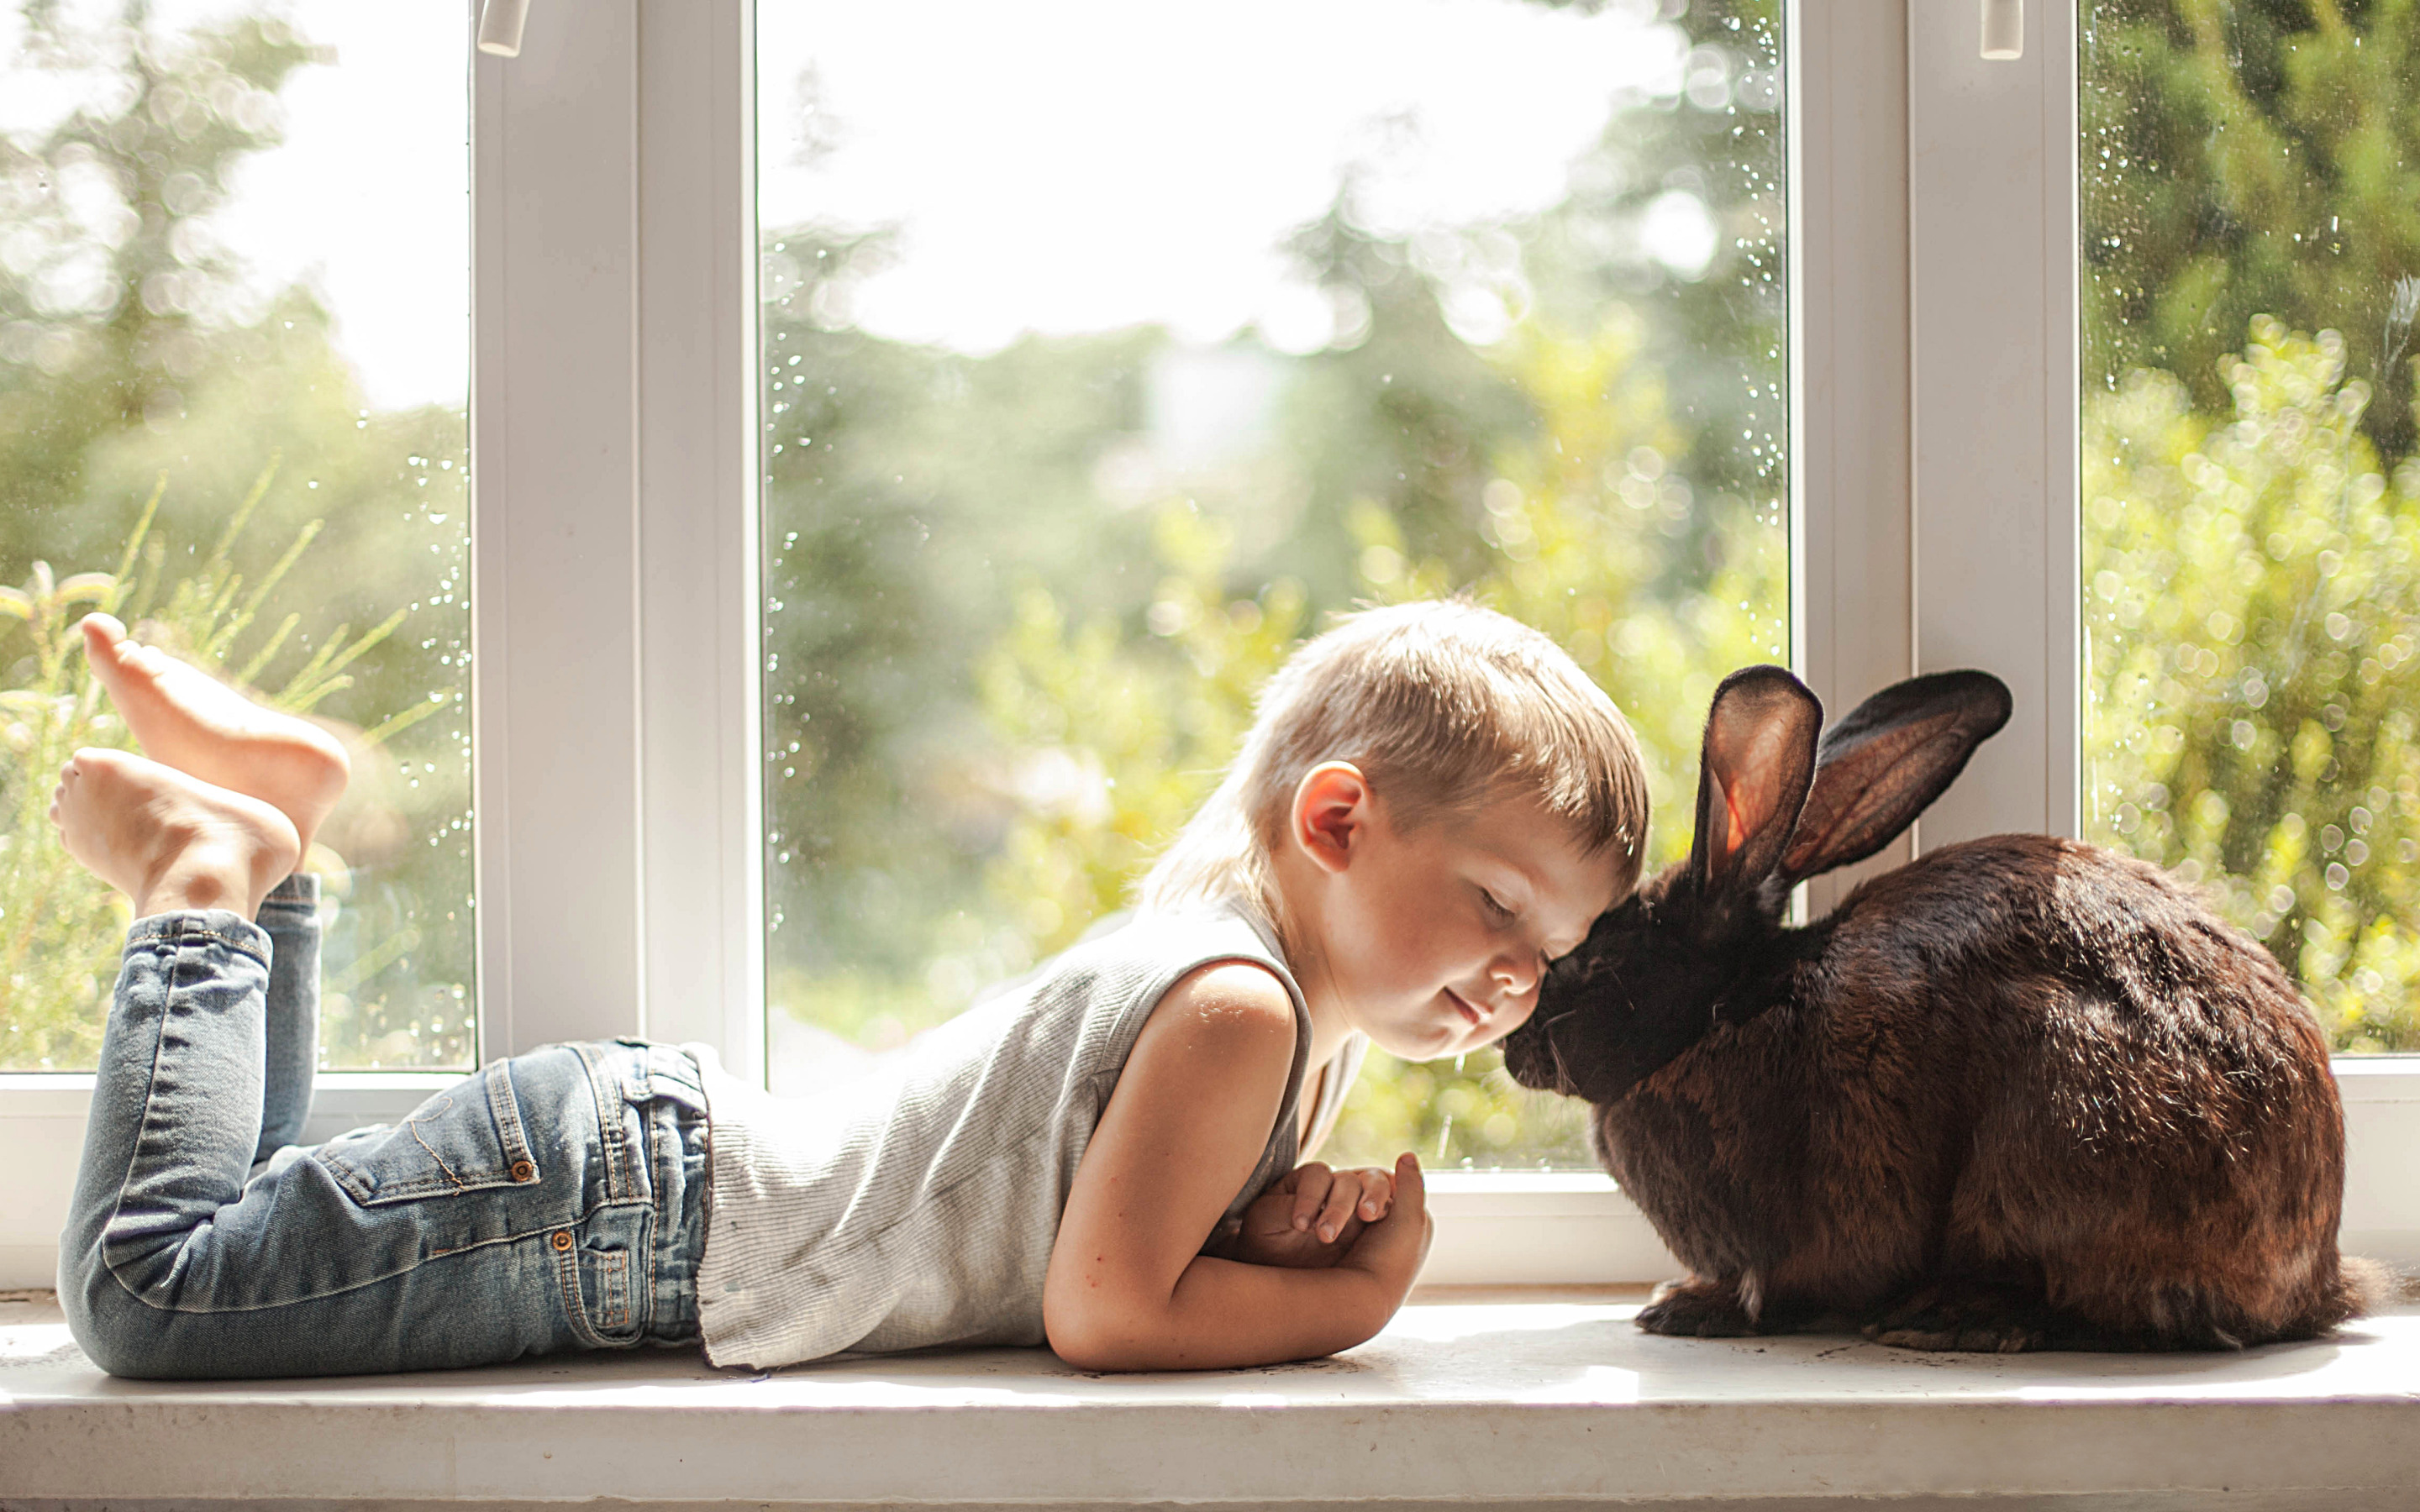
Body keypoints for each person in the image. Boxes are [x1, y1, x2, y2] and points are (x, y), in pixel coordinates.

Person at [50, 600, 1649, 1378]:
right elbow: (1106, 1311)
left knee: (243, 1227)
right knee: (153, 1292)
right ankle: (208, 872)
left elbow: (1084, 1228)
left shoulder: (1262, 984)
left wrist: (1262, 1227)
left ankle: (279, 858)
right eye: (1499, 904)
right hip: (622, 1212)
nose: (1518, 978)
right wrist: (1350, 1302)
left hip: (628, 1183)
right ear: (1339, 821)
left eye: (1552, 953)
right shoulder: (1239, 1008)